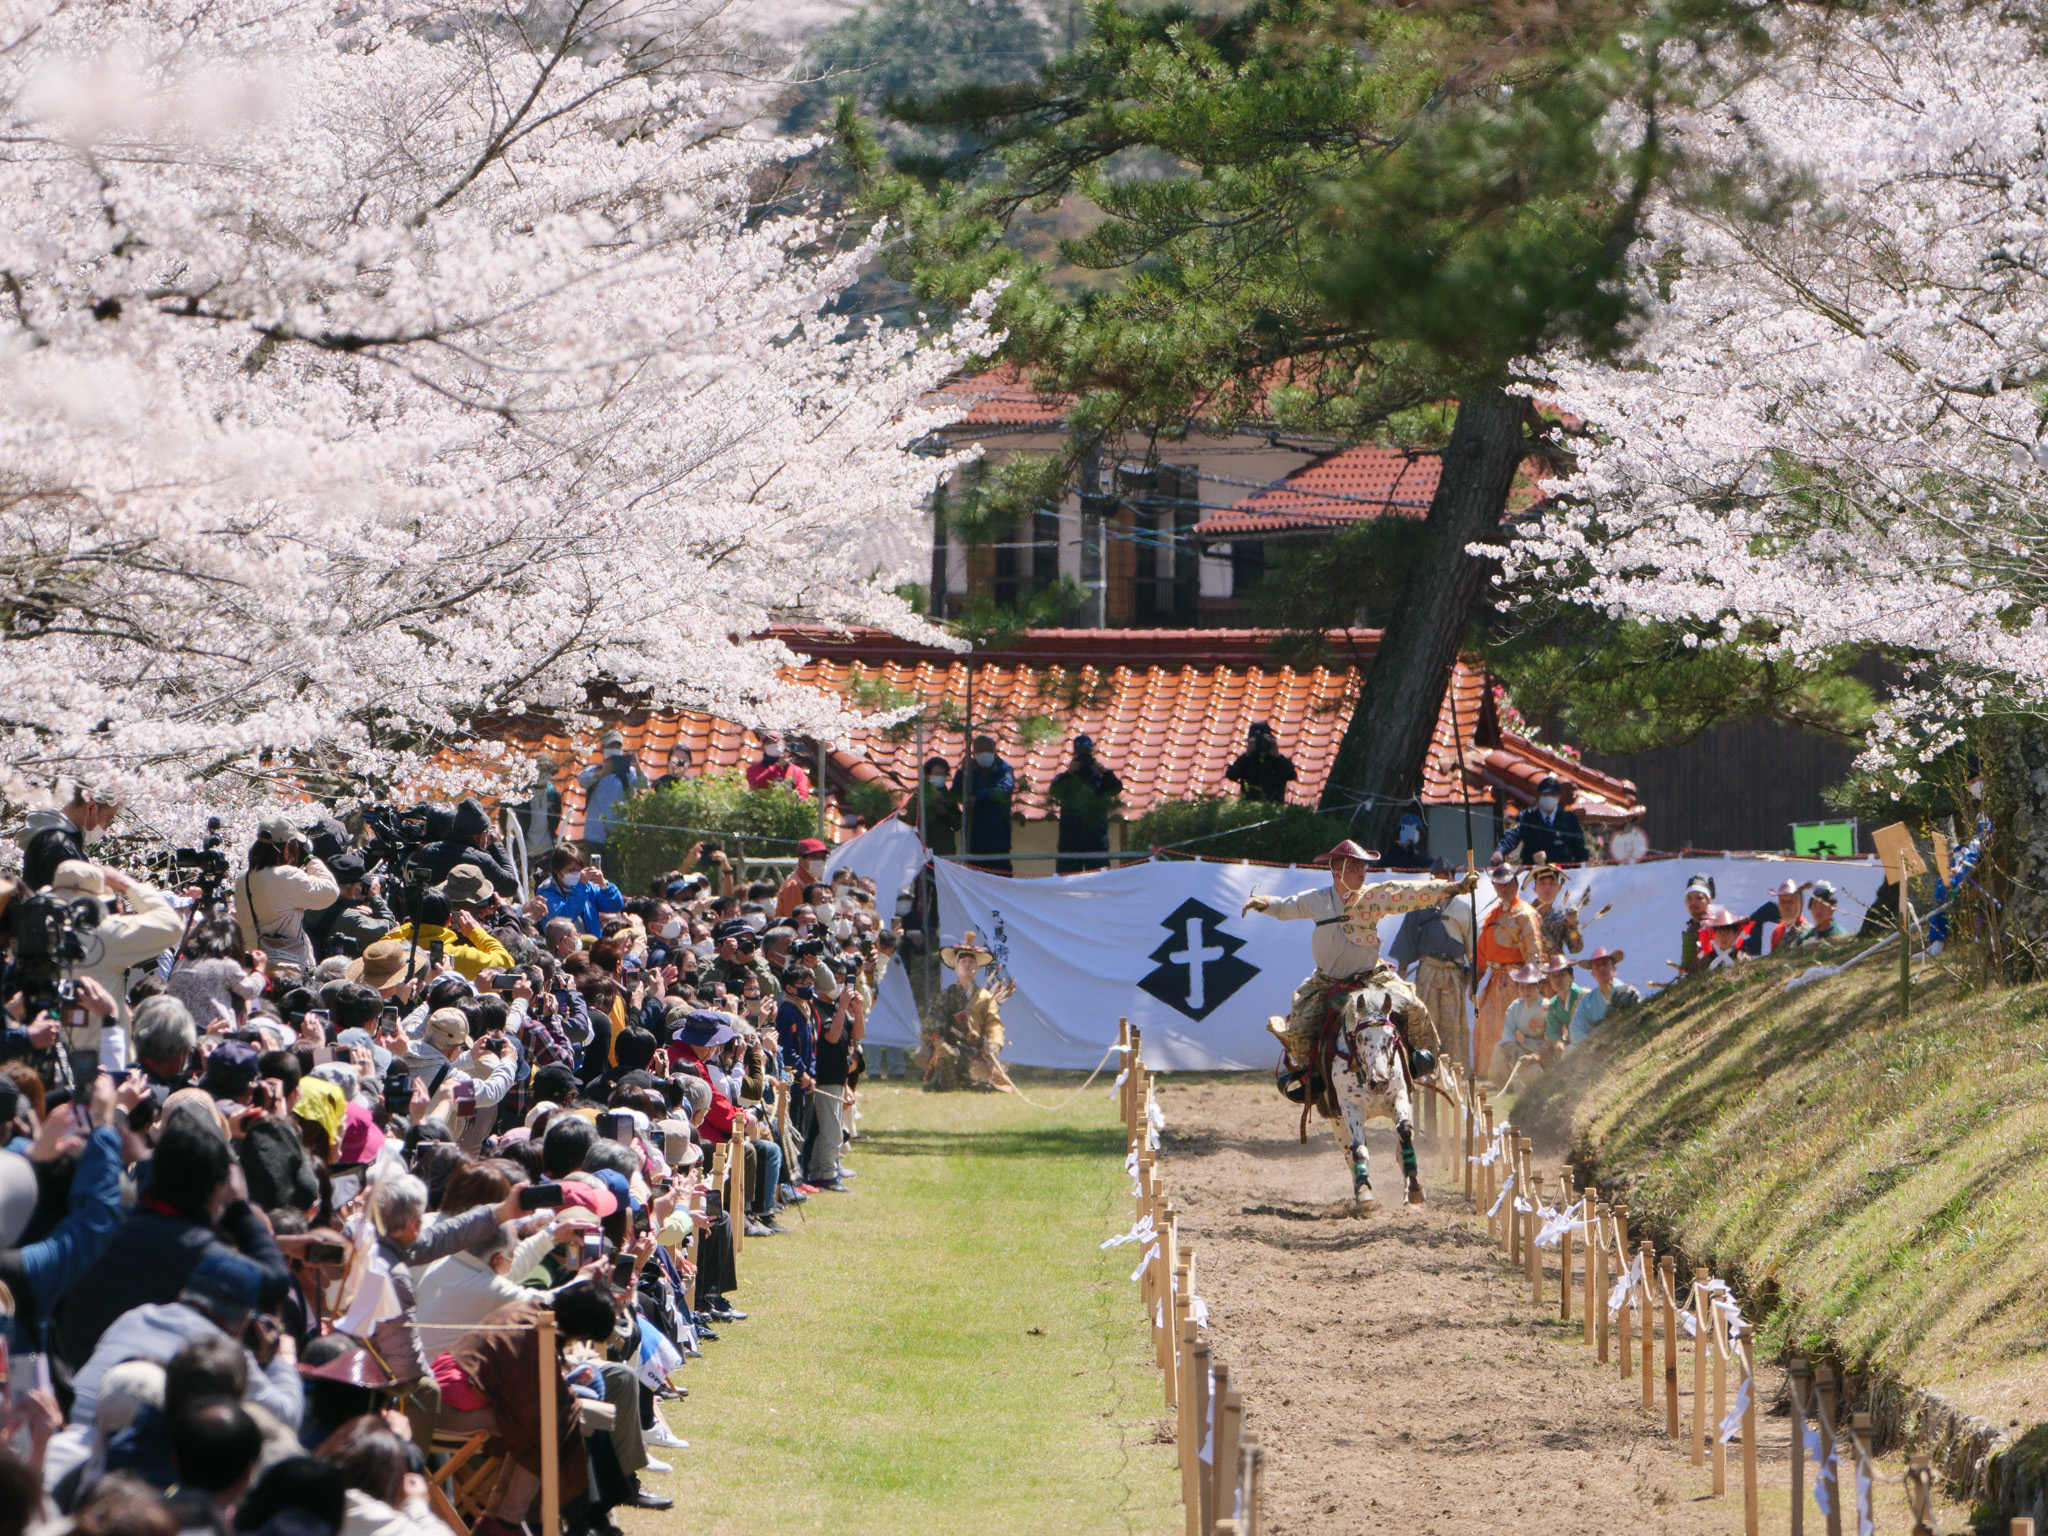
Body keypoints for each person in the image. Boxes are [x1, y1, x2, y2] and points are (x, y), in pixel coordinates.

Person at [1241, 841, 1472, 1067]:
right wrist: (1262, 902)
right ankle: (1309, 1079)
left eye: (1363, 866)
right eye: (1353, 867)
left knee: (1415, 1008)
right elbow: (1285, 906)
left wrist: (1455, 887)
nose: (1361, 872)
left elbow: (1407, 893)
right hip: (1326, 981)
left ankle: (1419, 1063)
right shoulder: (1317, 899)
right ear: (1336, 872)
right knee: (1299, 1028)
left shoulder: (1373, 896)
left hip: (1370, 977)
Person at [47, 861, 183, 1069]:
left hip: (44, 1058)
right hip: (102, 1061)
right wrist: (126, 883)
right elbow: (171, 925)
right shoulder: (105, 934)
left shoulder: (34, 933)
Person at [1384, 858, 1473, 1062]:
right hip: (1428, 973)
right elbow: (1407, 940)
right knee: (1426, 1022)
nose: (1438, 882)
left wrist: (1472, 976)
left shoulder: (1463, 909)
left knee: (1453, 1025)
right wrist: (1401, 975)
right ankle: (1425, 1068)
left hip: (1453, 973)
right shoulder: (1420, 905)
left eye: (1443, 878)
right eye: (1434, 878)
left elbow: (1472, 948)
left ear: (1452, 879)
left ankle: (1454, 1069)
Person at [233, 818, 341, 972]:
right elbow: (330, 892)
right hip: (284, 967)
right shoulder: (286, 875)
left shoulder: (243, 877)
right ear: (286, 847)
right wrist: (310, 858)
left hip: (251, 964)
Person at [1472, 861, 1543, 1080]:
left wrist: (1530, 983)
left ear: (1516, 883)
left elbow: (1534, 952)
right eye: (1498, 885)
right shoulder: (1492, 915)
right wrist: (1476, 978)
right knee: (1487, 1024)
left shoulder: (1526, 914)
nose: (1503, 888)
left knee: (1515, 1026)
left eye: (1507, 884)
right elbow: (1482, 951)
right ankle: (1490, 1075)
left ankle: (1518, 1074)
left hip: (1518, 980)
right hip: (1495, 981)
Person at [16, 780, 120, 891]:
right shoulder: (61, 848)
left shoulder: (53, 838)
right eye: (109, 819)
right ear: (91, 808)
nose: (106, 828)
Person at [1048, 735, 1122, 874]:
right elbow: (1054, 791)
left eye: (1087, 754)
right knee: (1068, 881)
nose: (1084, 759)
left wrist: (1104, 772)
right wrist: (1069, 774)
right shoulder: (1067, 778)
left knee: (1099, 881)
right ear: (1074, 754)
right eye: (1080, 754)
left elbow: (1116, 787)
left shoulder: (1099, 778)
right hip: (1070, 840)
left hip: (1096, 840)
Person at [577, 731, 649, 856]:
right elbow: (582, 781)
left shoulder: (629, 773)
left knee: (614, 874)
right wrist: (601, 774)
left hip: (618, 838)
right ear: (602, 749)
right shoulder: (593, 771)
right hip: (593, 837)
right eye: (611, 746)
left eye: (617, 746)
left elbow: (644, 784)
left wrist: (637, 767)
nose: (614, 750)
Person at [951, 736, 1014, 874]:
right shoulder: (968, 771)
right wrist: (961, 772)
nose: (984, 754)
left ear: (994, 751)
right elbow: (955, 794)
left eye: (988, 750)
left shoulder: (1004, 769)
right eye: (980, 751)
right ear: (974, 753)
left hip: (999, 839)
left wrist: (978, 797)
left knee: (1000, 879)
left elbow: (1003, 789)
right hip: (974, 838)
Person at [1494, 776, 1588, 866]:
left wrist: (1579, 870)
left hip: (1562, 873)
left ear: (1559, 797)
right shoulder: (1526, 817)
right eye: (1546, 794)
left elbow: (1579, 848)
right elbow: (1512, 836)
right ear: (1539, 795)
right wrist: (1500, 851)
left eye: (1553, 795)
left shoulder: (1569, 819)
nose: (1549, 798)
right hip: (1533, 873)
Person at [537, 846, 625, 937]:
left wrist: (604, 884)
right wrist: (580, 887)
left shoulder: (588, 887)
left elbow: (615, 905)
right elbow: (563, 920)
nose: (578, 874)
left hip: (591, 945)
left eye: (580, 869)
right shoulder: (547, 893)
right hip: (565, 947)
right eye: (573, 870)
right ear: (558, 871)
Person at [1567, 947, 1639, 1041]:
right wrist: (1587, 1042)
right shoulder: (1587, 1000)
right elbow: (1576, 1028)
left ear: (1614, 968)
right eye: (1597, 965)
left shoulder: (1626, 992)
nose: (1601, 968)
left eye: (1605, 964)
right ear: (1593, 973)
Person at [1224, 721, 1296, 804]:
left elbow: (1292, 775)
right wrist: (1247, 755)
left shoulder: (1278, 761)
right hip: (1249, 808)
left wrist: (1277, 756)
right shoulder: (1247, 761)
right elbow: (1231, 775)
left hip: (1273, 809)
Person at [904, 757, 961, 855]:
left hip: (944, 850)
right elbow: (910, 818)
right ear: (927, 775)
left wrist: (944, 813)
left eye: (943, 774)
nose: (940, 777)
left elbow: (957, 823)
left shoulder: (949, 796)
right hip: (922, 849)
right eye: (936, 774)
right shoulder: (917, 794)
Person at [1526, 864, 1583, 960]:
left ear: (1558, 888)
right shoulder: (1524, 914)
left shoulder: (1561, 917)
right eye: (1542, 883)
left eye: (1552, 883)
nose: (1547, 888)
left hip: (1556, 971)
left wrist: (1573, 925)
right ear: (1535, 888)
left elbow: (1576, 948)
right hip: (1531, 970)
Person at [1744, 877, 1810, 954]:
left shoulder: (1807, 931)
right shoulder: (1777, 930)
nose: (1786, 905)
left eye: (1791, 901)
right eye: (1782, 901)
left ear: (1801, 905)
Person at [743, 733, 812, 799]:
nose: (773, 745)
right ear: (763, 747)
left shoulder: (796, 771)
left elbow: (803, 794)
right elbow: (756, 787)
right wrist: (777, 767)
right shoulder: (753, 769)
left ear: (784, 745)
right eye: (769, 743)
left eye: (776, 742)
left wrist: (795, 798)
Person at [774, 840, 830, 920]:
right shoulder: (794, 886)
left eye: (823, 858)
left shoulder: (812, 882)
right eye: (814, 857)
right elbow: (795, 921)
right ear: (801, 861)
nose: (820, 861)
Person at [1679, 873, 1717, 973]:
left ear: (1708, 900)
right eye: (1689, 898)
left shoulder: (1711, 925)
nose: (1693, 903)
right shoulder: (1693, 926)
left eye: (1699, 898)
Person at [1794, 880, 1849, 944]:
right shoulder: (1804, 939)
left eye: (1823, 906)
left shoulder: (1841, 936)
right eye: (1814, 905)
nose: (1818, 910)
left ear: (1833, 907)